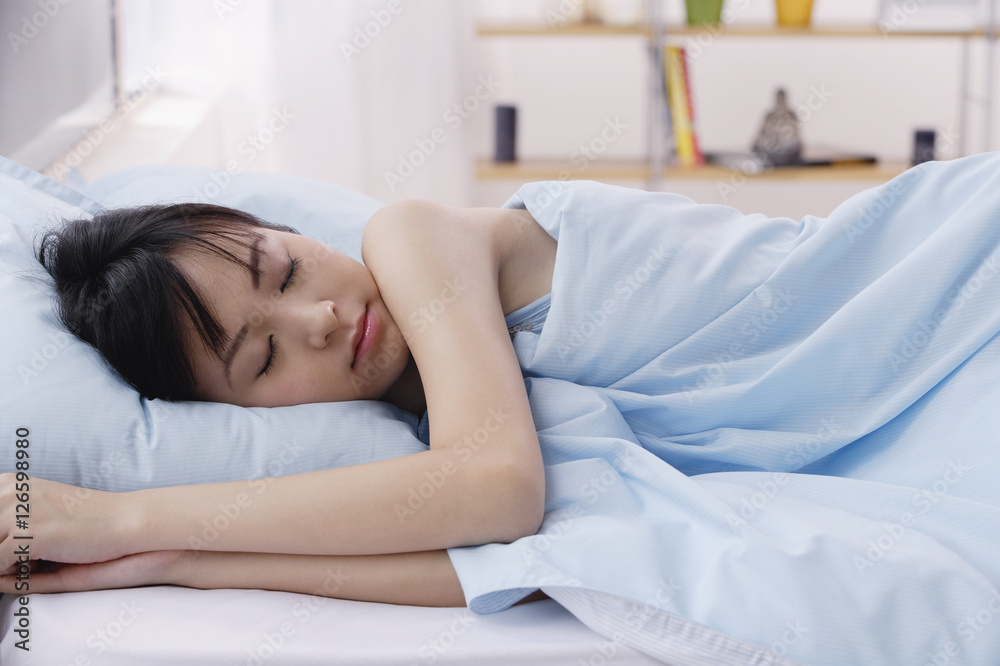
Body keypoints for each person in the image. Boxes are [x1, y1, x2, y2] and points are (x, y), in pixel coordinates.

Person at [0, 198, 559, 607]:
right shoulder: (424, 435)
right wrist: (181, 561)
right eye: (265, 358)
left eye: (288, 272)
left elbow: (500, 489)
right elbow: (523, 577)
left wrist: (122, 520)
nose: (319, 320)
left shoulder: (412, 237)